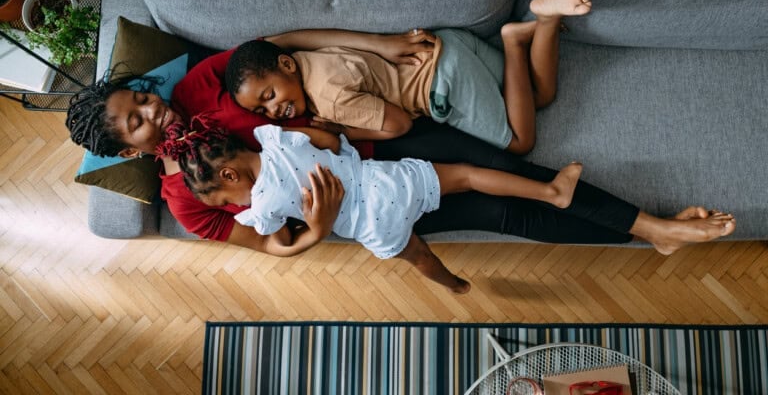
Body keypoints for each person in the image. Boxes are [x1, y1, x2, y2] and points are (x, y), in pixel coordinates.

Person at [66, 32, 735, 257]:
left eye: (141, 98)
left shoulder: (208, 85)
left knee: (507, 168)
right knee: (509, 219)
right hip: (369, 205)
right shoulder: (185, 200)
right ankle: (647, 235)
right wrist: (318, 227)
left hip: (384, 146)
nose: (151, 110)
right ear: (128, 153)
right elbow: (271, 246)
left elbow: (282, 47)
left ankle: (653, 226)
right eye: (134, 122)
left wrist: (380, 46)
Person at [159, 117, 592, 293]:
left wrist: (312, 224)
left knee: (419, 256)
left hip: (372, 223)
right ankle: (551, 192)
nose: (234, 207)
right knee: (465, 174)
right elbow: (327, 139)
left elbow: (279, 236)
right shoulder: (274, 139)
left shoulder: (262, 204)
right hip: (382, 178)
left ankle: (455, 285)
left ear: (231, 178)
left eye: (225, 201)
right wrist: (333, 151)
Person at [225, 0, 592, 154]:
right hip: (447, 45)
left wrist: (342, 131)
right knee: (537, 94)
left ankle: (513, 40)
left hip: (444, 85)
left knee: (520, 143)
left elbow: (401, 124)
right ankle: (545, 19)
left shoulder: (329, 100)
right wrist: (380, 42)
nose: (274, 112)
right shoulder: (307, 54)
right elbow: (282, 41)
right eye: (262, 111)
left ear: (284, 66)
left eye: (269, 96)